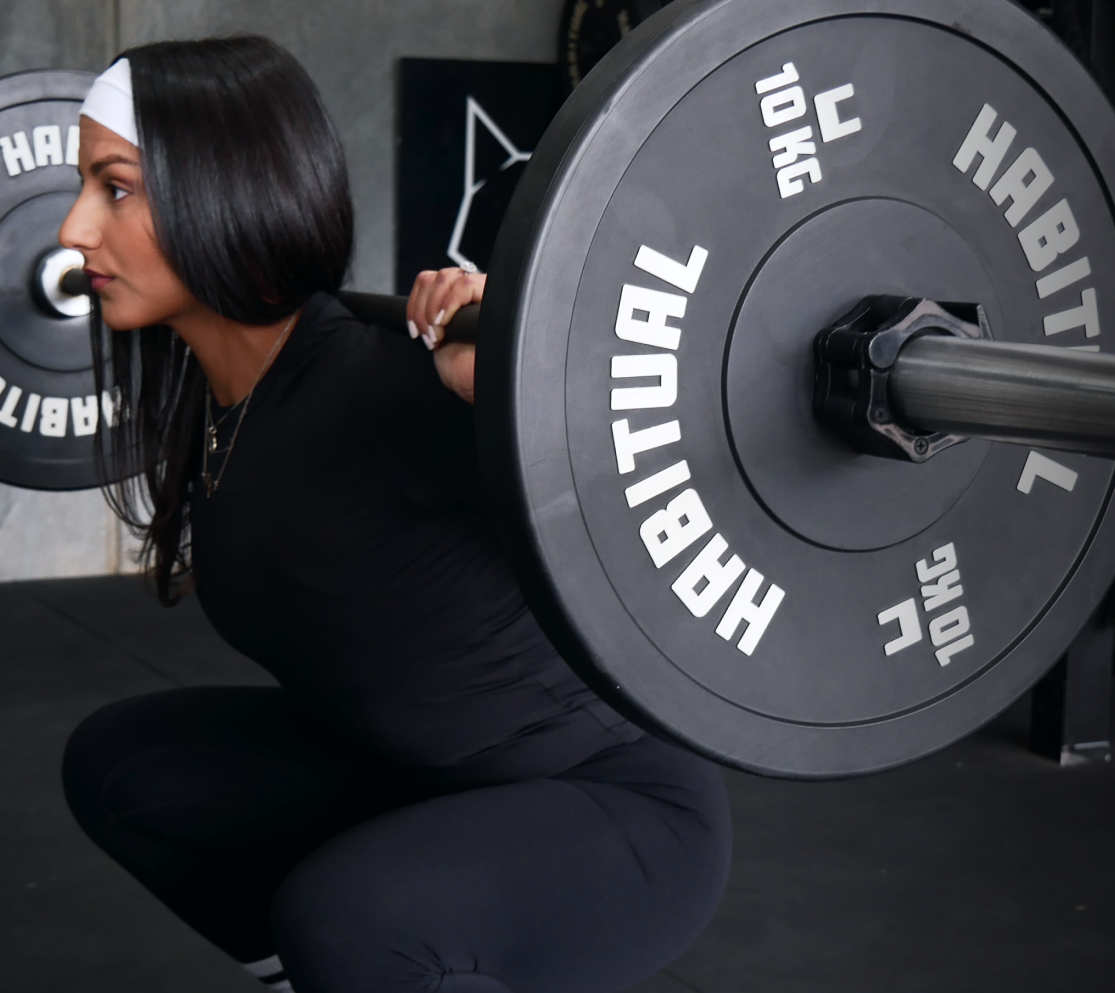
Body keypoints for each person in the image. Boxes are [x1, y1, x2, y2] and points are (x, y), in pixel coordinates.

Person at [55, 36, 730, 993]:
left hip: (610, 807)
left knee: (349, 921)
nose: (74, 230)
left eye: (115, 188)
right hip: (409, 775)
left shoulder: (386, 386)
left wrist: (520, 368)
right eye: (85, 187)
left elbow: (662, 471)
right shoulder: (221, 403)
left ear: (226, 188)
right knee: (127, 767)